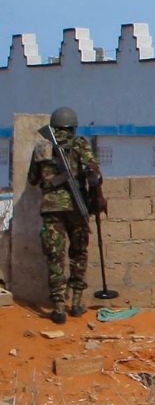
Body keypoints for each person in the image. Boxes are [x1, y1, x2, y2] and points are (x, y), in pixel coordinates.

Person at [26, 106, 104, 325]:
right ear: (73, 126)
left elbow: (33, 179)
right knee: (78, 253)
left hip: (52, 209)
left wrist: (49, 177)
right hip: (77, 210)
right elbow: (94, 173)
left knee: (55, 256)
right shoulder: (79, 144)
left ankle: (59, 306)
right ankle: (77, 302)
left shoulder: (42, 147)